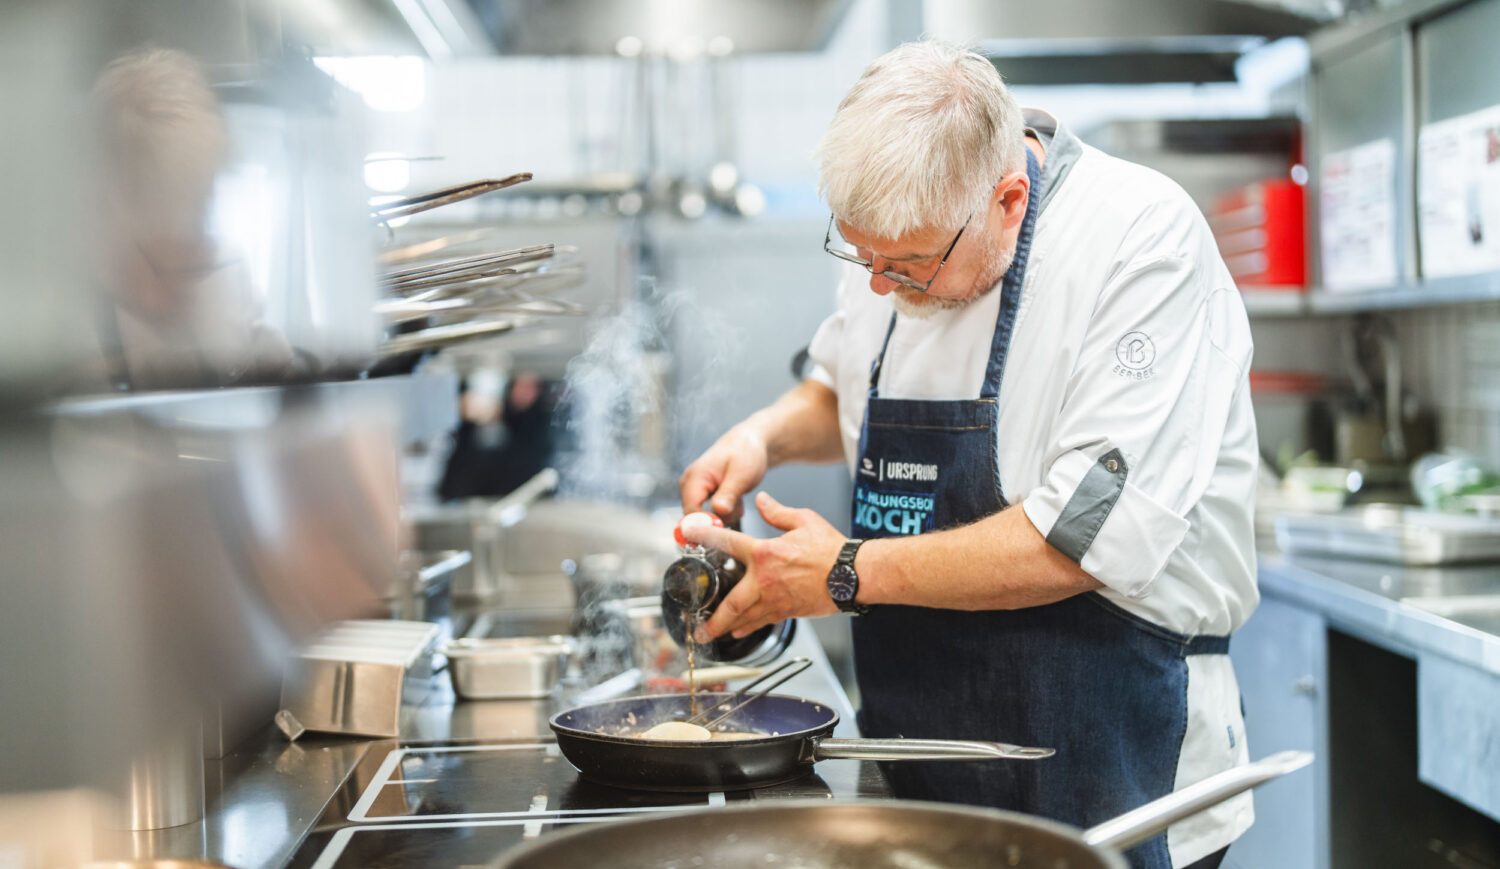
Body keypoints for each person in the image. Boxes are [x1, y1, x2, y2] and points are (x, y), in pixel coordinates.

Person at [677, 41, 1258, 869]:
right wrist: (760, 437)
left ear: (1010, 200)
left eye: (908, 267)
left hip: (1107, 755)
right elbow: (840, 387)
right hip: (920, 756)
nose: (879, 286)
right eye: (860, 255)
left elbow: (1079, 538)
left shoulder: (1140, 244)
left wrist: (841, 572)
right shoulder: (901, 234)